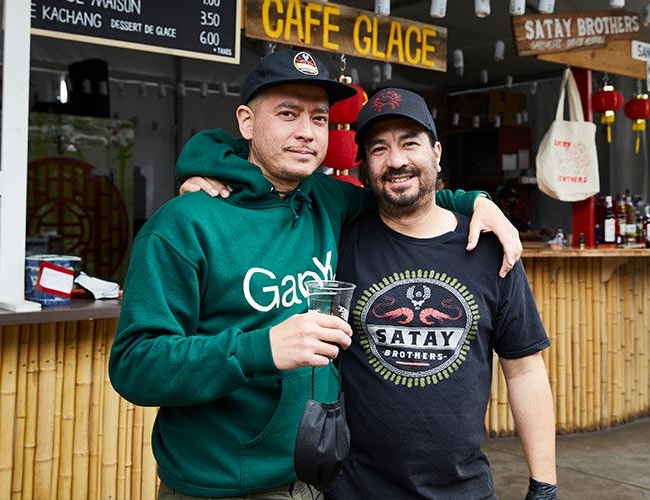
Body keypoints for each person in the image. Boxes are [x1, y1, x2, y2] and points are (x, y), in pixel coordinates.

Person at [110, 49, 522, 500]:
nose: (306, 133)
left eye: (319, 118)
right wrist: (259, 349)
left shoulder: (329, 199)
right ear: (246, 122)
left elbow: (405, 189)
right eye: (288, 114)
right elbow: (135, 366)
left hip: (321, 477)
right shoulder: (183, 225)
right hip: (223, 485)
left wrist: (475, 201)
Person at [327, 87, 556, 499]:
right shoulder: (339, 243)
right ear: (364, 166)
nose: (396, 161)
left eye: (409, 143)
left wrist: (544, 484)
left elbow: (524, 368)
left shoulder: (489, 246)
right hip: (354, 490)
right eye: (379, 149)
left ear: (436, 152)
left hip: (462, 490)